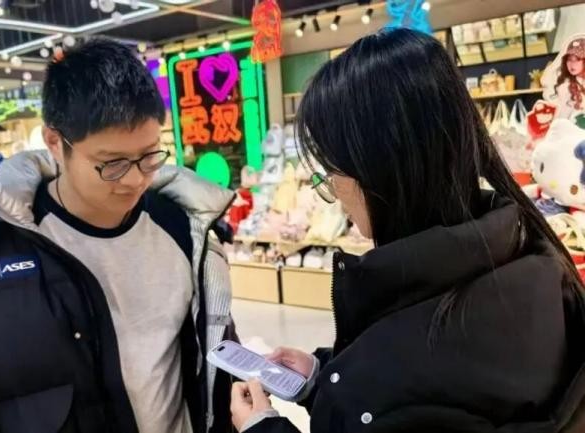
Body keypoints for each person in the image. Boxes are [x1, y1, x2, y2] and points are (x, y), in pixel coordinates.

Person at [231, 28, 585, 433]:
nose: (333, 190)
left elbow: (399, 390)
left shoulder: (416, 360)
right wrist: (327, 377)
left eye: (332, 170)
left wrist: (262, 428)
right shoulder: (528, 257)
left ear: (379, 171)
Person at [0, 39, 237, 433]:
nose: (135, 180)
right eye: (111, 163)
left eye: (150, 154)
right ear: (55, 142)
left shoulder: (182, 228)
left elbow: (212, 360)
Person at [554, 37, 585, 118]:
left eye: (577, 59)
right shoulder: (565, 87)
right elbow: (563, 118)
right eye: (569, 59)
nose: (572, 64)